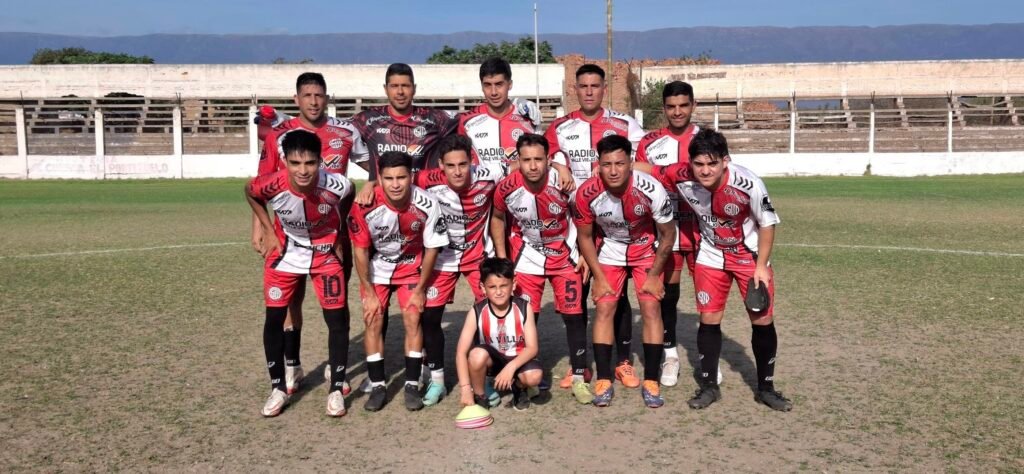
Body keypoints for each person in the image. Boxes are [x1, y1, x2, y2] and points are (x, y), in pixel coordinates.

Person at [652, 129, 792, 412]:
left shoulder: (748, 183)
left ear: (725, 161)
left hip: (748, 257)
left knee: (762, 319)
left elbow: (767, 223)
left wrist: (761, 267)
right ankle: (709, 387)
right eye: (699, 164)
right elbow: (649, 169)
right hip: (711, 255)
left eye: (712, 163)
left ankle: (766, 388)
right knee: (709, 319)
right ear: (690, 162)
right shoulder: (681, 174)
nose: (705, 170)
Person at [254, 72, 367, 396]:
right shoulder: (279, 135)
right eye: (307, 96)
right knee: (291, 299)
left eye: (319, 95)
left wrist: (371, 185)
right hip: (288, 234)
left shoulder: (345, 131)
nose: (314, 102)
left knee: (336, 299)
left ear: (327, 98)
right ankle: (293, 365)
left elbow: (370, 165)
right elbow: (261, 182)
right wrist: (260, 228)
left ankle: (336, 368)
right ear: (296, 99)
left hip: (332, 234)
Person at [545, 64, 646, 388]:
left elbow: (643, 162)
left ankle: (623, 362)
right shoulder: (560, 127)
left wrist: (606, 173)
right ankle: (580, 366)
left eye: (595, 86)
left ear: (604, 88)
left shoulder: (625, 124)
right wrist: (558, 164)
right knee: (577, 295)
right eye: (583, 86)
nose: (589, 91)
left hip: (613, 225)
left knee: (616, 295)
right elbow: (545, 157)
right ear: (575, 89)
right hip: (574, 226)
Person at [244, 130, 355, 417]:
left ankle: (336, 389)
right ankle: (278, 387)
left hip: (325, 255)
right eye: (295, 163)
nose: (303, 171)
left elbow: (350, 192)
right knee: (274, 319)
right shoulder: (273, 184)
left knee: (337, 320)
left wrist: (339, 232)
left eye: (310, 163)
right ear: (285, 162)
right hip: (285, 255)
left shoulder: (336, 185)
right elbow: (250, 191)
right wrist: (268, 230)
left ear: (320, 161)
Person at [572, 135, 677, 408]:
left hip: (645, 250)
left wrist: (654, 275)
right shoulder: (586, 193)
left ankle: (651, 380)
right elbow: (585, 236)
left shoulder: (651, 189)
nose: (613, 171)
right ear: (598, 165)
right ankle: (604, 379)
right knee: (605, 307)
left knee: (651, 307)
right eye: (607, 164)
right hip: (609, 250)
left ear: (631, 163)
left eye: (619, 163)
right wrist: (598, 277)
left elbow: (668, 235)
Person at [491, 133, 592, 404]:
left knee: (573, 316)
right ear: (518, 160)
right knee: (526, 318)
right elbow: (497, 218)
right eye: (526, 160)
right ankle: (526, 376)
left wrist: (585, 253)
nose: (533, 166)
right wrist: (503, 259)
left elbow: (584, 217)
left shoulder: (565, 183)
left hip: (565, 257)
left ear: (549, 159)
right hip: (527, 258)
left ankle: (580, 376)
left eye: (538, 159)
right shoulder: (506, 187)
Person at [348, 151, 450, 412]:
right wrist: (369, 292)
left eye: (401, 177)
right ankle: (378, 385)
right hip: (377, 271)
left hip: (411, 269)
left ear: (411, 177)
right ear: (379, 179)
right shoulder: (364, 205)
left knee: (413, 318)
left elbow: (432, 249)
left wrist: (421, 289)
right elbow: (360, 251)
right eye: (389, 178)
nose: (395, 184)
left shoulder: (427, 203)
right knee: (372, 319)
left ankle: (411, 385)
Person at [414, 135, 501, 407]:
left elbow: (522, 167)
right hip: (442, 259)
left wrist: (559, 167)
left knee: (489, 317)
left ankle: (484, 377)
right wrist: (372, 184)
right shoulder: (426, 180)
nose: (458, 171)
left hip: (478, 258)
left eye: (463, 164)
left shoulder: (490, 175)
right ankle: (437, 380)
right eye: (450, 166)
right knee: (430, 318)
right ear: (441, 165)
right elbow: (396, 177)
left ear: (472, 161)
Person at [633, 80, 704, 387]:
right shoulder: (649, 143)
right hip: (667, 232)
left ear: (693, 105)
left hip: (702, 231)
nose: (677, 112)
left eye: (683, 105)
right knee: (669, 297)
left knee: (706, 298)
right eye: (671, 106)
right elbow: (639, 179)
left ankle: (707, 357)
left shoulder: (706, 139)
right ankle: (670, 354)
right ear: (663, 108)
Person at [454, 257, 543, 411]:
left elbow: (532, 348)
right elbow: (461, 353)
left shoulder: (524, 308)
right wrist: (465, 388)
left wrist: (510, 368)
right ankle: (480, 395)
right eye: (492, 287)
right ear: (483, 288)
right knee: (475, 355)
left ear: (513, 284)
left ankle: (519, 387)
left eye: (503, 285)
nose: (499, 292)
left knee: (534, 376)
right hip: (492, 362)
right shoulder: (476, 312)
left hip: (517, 360)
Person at [457, 57, 536, 177]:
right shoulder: (466, 121)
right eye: (487, 85)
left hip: (520, 187)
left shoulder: (529, 116)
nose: (493, 92)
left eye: (499, 84)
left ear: (510, 84)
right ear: (482, 86)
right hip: (482, 188)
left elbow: (542, 157)